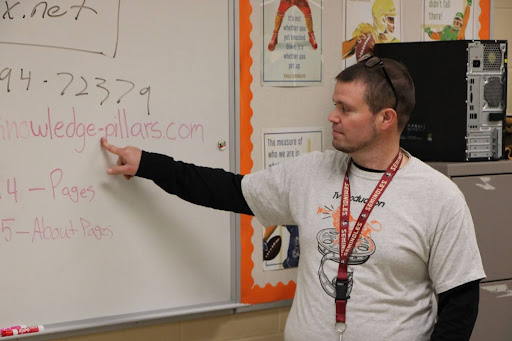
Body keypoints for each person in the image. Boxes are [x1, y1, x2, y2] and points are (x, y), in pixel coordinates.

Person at [101, 56, 485, 340]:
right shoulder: (311, 172)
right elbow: (227, 189)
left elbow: (460, 304)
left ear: (386, 118)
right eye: (334, 104)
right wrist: (149, 163)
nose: (332, 116)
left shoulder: (438, 196)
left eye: (345, 109)